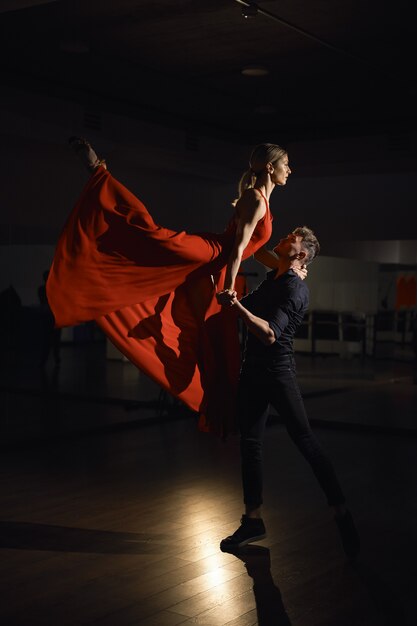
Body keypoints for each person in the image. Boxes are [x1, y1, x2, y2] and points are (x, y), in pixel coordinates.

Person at [46, 139, 295, 436]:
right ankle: (96, 170)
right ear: (270, 167)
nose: (289, 170)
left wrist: (288, 268)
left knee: (213, 335)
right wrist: (229, 290)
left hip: (214, 265)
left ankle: (223, 412)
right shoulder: (255, 199)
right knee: (151, 236)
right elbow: (238, 249)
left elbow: (257, 249)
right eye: (286, 164)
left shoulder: (262, 201)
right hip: (210, 254)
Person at [218, 227, 360, 559]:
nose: (286, 236)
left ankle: (341, 512)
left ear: (301, 254)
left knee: (305, 441)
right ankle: (252, 520)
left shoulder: (295, 290)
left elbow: (269, 334)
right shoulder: (274, 279)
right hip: (252, 371)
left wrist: (237, 306)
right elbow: (256, 250)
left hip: (277, 373)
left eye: (293, 237)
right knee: (250, 443)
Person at [38, 269, 62, 366]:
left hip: (49, 317)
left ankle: (45, 361)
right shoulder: (53, 289)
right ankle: (55, 360)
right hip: (53, 317)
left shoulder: (42, 289)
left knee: (47, 340)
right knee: (54, 340)